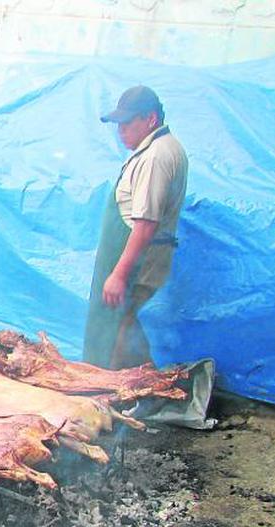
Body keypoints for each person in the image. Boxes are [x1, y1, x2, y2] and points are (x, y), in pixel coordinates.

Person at [83, 85, 188, 369]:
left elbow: (144, 225)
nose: (121, 131)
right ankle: (145, 383)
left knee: (117, 333)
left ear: (150, 119)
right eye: (118, 125)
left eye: (127, 123)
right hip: (138, 257)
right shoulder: (159, 148)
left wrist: (118, 275)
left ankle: (110, 388)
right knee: (125, 327)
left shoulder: (156, 157)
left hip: (138, 262)